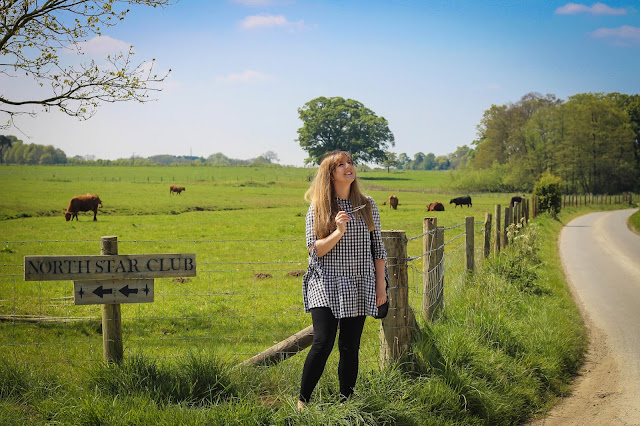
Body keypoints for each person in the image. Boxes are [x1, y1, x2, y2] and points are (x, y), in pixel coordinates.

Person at [298, 150, 387, 409]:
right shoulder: (319, 207)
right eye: (341, 165)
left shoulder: (368, 205)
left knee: (350, 346)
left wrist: (380, 286)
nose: (349, 167)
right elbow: (315, 249)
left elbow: (377, 249)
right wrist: (339, 231)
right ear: (330, 173)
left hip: (359, 281)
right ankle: (302, 402)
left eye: (350, 163)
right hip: (326, 282)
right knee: (323, 341)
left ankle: (345, 404)